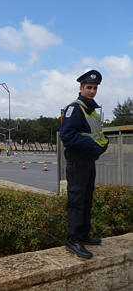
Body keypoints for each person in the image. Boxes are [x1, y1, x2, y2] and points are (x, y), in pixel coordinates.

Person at [60, 70, 109, 259]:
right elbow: (67, 136)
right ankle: (73, 240)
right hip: (77, 162)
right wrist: (93, 145)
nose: (92, 91)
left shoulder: (94, 113)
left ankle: (83, 235)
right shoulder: (75, 109)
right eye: (89, 87)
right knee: (76, 200)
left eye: (95, 88)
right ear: (81, 88)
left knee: (87, 198)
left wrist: (100, 147)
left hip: (89, 161)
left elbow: (100, 137)